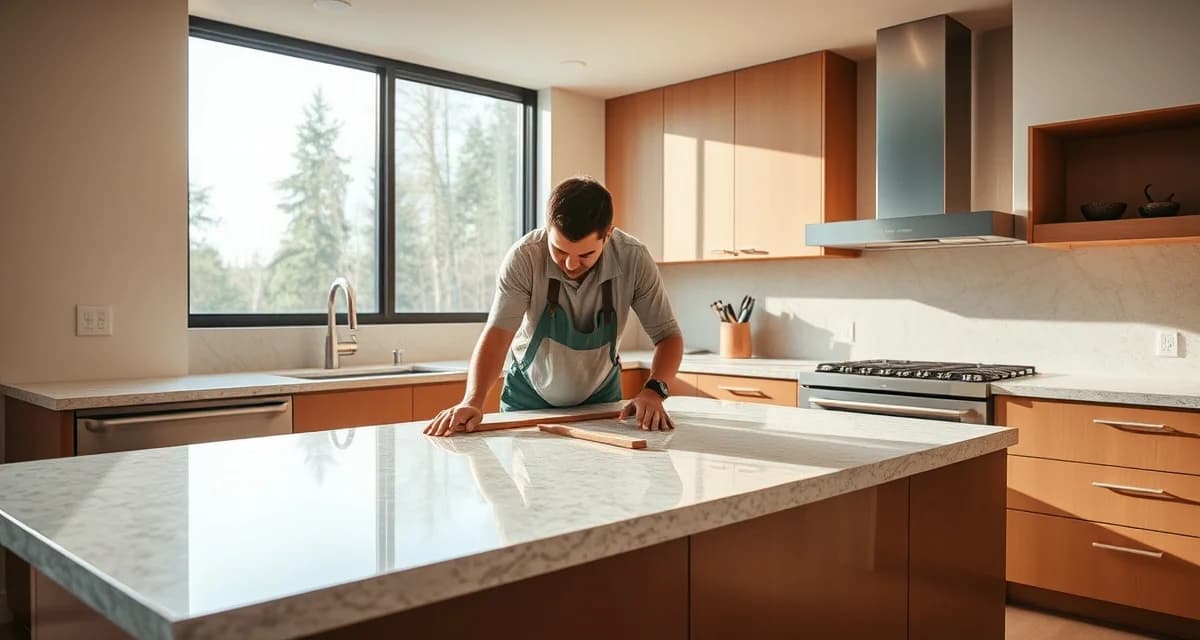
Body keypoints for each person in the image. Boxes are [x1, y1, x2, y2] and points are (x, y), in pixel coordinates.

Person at [424, 176, 683, 436]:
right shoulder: (524, 257)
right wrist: (473, 400)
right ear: (548, 229)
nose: (570, 264)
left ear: (608, 235)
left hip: (602, 402)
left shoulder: (633, 258)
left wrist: (654, 391)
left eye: (585, 255)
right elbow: (498, 335)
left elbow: (667, 336)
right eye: (559, 251)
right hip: (528, 400)